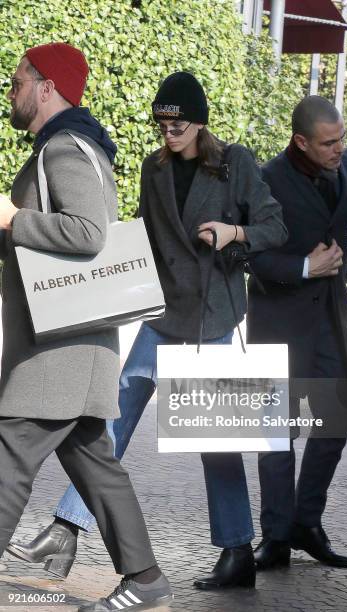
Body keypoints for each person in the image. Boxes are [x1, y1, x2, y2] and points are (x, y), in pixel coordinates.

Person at [8, 71, 288, 590]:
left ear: (198, 120)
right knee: (110, 414)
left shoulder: (235, 164)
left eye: (178, 121)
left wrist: (235, 233)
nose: (169, 131)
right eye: (162, 122)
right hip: (163, 315)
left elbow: (275, 226)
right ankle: (69, 527)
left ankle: (236, 552)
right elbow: (141, 236)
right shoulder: (153, 169)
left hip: (213, 318)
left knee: (216, 440)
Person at [0, 43, 172, 612]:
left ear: (47, 86)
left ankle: (146, 582)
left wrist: (13, 219)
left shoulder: (66, 148)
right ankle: (145, 580)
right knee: (96, 465)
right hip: (73, 347)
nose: (12, 89)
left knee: (7, 459)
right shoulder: (73, 144)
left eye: (19, 80)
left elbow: (87, 232)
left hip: (58, 354)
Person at [246, 95, 347, 570]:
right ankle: (274, 537)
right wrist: (303, 267)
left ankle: (305, 522)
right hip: (278, 324)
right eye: (328, 143)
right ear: (301, 141)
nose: (340, 149)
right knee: (277, 434)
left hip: (332, 322)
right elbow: (249, 256)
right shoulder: (266, 179)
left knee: (337, 420)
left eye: (342, 139)